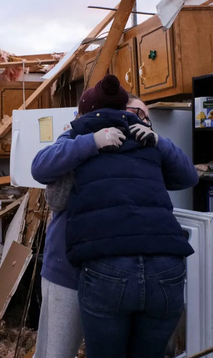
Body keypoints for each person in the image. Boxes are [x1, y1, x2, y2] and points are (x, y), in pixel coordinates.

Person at [32, 75, 198, 358]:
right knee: (57, 352)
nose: (139, 119)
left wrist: (160, 142)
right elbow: (45, 174)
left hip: (115, 267)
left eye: (144, 115)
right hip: (68, 268)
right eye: (134, 112)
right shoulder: (78, 136)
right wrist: (90, 142)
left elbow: (188, 176)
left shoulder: (147, 145)